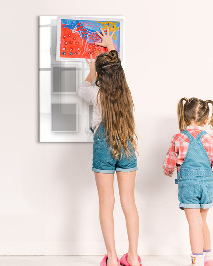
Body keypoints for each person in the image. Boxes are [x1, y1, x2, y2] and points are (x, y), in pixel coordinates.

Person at [77, 28, 141, 266]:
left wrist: (91, 70)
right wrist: (111, 46)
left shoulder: (96, 94)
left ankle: (112, 259)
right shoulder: (126, 94)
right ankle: (133, 257)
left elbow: (81, 89)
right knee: (129, 202)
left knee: (107, 203)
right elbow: (117, 69)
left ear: (101, 76)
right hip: (126, 146)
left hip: (104, 147)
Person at [163, 98, 213, 266]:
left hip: (188, 186)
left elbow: (168, 164)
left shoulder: (178, 138)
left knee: (194, 224)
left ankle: (197, 261)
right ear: (206, 120)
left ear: (184, 117)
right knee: (202, 222)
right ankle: (208, 260)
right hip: (207, 185)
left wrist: (168, 171)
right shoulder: (211, 139)